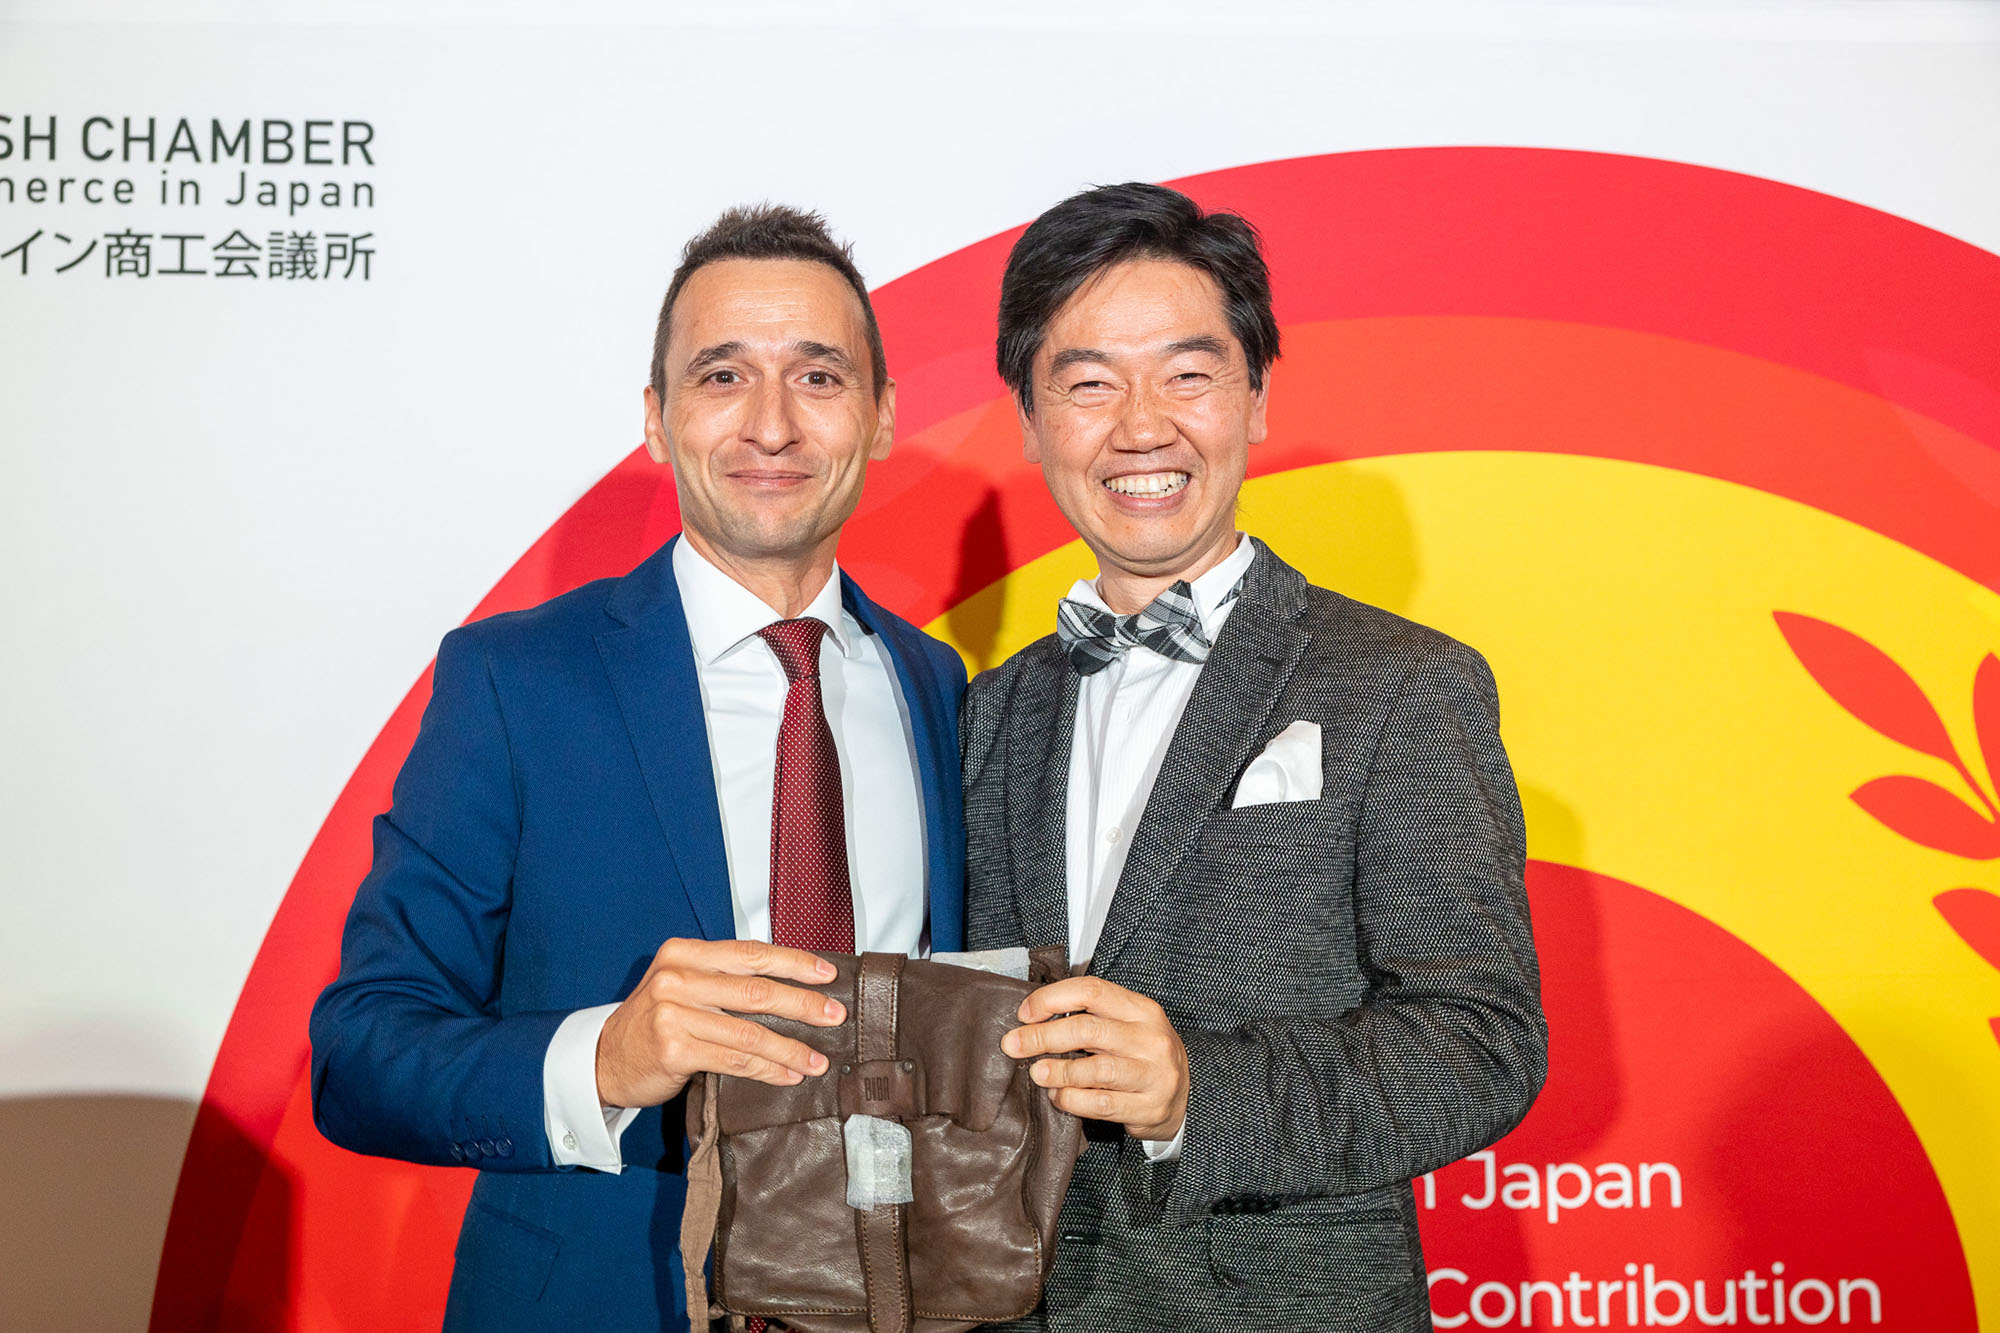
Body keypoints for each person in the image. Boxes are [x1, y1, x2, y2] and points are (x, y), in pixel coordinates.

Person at [310, 204, 967, 1333]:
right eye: (722, 376)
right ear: (658, 420)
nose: (772, 424)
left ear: (882, 416)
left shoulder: (937, 684)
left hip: (900, 1296)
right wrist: (604, 1057)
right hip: (602, 1299)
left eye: (817, 377)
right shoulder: (515, 679)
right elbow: (361, 1051)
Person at [961, 182, 1547, 1331]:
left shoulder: (1401, 685)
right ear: (1029, 422)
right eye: (1088, 383)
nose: (1141, 427)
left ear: (1255, 396)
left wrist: (1198, 1091)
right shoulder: (984, 715)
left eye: (1186, 375)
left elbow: (1482, 1040)